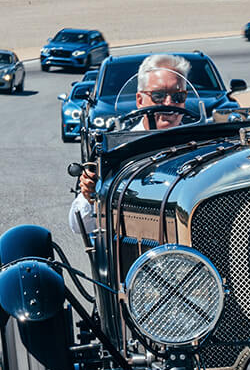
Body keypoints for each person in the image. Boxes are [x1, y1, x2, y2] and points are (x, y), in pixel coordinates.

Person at [70, 53, 197, 234]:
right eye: (159, 96)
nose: (169, 104)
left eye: (178, 97)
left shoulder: (199, 145)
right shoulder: (116, 149)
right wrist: (90, 197)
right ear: (140, 100)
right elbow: (78, 227)